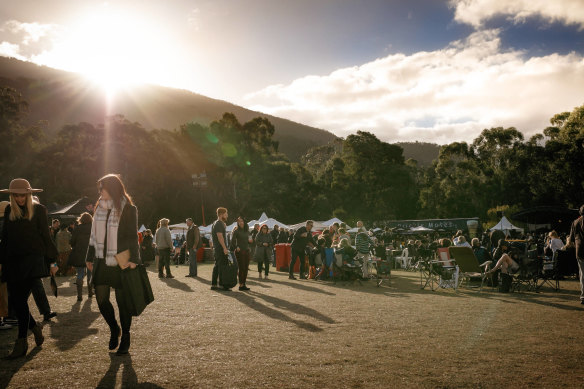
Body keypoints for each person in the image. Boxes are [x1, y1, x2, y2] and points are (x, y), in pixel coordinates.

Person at [0, 178, 58, 359]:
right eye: (16, 195)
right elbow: (6, 238)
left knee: (19, 301)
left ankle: (21, 342)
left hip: (32, 261)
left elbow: (46, 237)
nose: (19, 198)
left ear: (29, 193)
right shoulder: (10, 210)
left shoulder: (39, 210)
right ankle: (35, 328)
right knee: (17, 303)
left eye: (22, 195)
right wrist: (1, 261)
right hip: (13, 261)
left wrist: (53, 262)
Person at [85, 174, 141, 355]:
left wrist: (134, 259)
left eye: (103, 188)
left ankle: (126, 336)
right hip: (101, 259)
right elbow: (93, 236)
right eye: (99, 189)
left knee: (123, 301)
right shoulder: (99, 208)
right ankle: (114, 328)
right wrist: (89, 256)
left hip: (121, 258)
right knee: (101, 299)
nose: (100, 192)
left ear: (113, 188)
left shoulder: (129, 209)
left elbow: (133, 236)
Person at [68, 212, 93, 301]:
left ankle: (79, 295)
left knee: (80, 274)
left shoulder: (77, 228)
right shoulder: (93, 228)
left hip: (79, 254)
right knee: (90, 273)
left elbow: (71, 241)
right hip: (91, 253)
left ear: (81, 219)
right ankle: (90, 292)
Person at [566, 205, 584, 305]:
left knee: (582, 274)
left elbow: (571, 239)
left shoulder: (575, 222)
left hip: (580, 251)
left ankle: (583, 296)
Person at [211, 207, 230, 291]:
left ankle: (214, 284)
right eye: (226, 214)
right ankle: (222, 285)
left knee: (217, 266)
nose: (227, 215)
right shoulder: (219, 223)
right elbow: (220, 236)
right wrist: (224, 248)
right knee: (222, 266)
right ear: (221, 214)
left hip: (217, 248)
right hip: (220, 248)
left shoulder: (216, 223)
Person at [230, 217, 251, 290]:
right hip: (240, 252)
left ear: (244, 222)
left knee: (246, 268)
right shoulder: (236, 231)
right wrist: (236, 247)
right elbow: (232, 241)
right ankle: (241, 285)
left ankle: (243, 284)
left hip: (247, 251)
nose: (241, 222)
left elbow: (250, 241)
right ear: (238, 223)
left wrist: (250, 241)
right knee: (241, 268)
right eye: (239, 221)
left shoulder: (247, 231)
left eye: (242, 221)